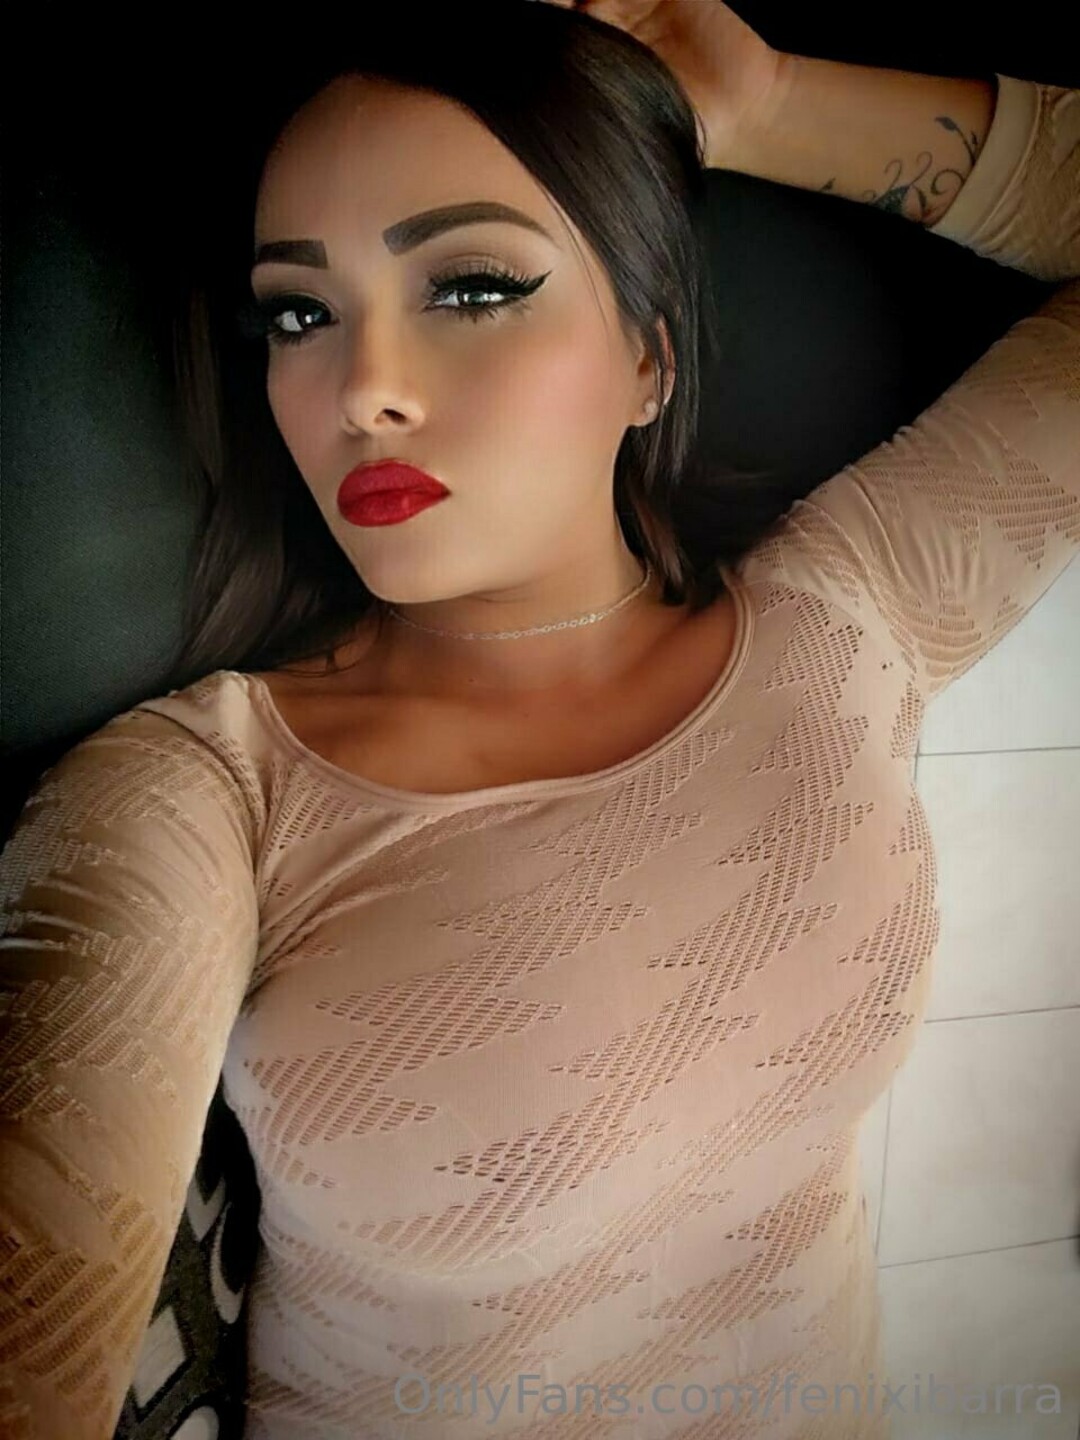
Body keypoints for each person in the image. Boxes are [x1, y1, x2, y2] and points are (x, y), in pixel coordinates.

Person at [1, 3, 1077, 1437]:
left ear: (649, 358)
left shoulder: (845, 617)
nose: (364, 390)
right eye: (300, 314)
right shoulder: (203, 796)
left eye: (471, 286)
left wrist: (759, 99)